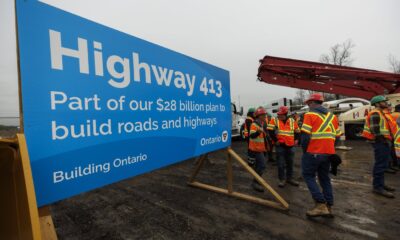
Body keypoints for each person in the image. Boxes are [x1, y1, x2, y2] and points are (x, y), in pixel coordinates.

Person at [300, 93, 341, 217]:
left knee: (308, 175)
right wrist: (331, 150)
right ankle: (328, 206)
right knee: (324, 178)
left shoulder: (310, 115)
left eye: (308, 104)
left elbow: (306, 136)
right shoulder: (332, 116)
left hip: (313, 152)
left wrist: (305, 150)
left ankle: (320, 204)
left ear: (312, 103)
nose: (308, 106)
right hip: (328, 153)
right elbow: (337, 136)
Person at [362, 95, 398, 198]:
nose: (386, 103)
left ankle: (381, 184)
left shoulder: (382, 113)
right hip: (381, 143)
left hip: (385, 142)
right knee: (380, 165)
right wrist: (384, 141)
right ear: (377, 104)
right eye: (383, 102)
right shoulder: (375, 113)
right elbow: (375, 131)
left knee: (383, 164)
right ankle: (378, 187)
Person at [268, 106, 300, 188]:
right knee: (281, 164)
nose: (279, 116)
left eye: (281, 115)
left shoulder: (292, 121)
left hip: (290, 145)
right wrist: (275, 141)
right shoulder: (274, 120)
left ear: (286, 114)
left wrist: (296, 139)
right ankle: (282, 179)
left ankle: (290, 179)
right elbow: (270, 131)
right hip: (280, 146)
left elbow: (297, 131)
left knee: (290, 163)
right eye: (278, 114)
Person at [249, 107, 269, 192]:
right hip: (256, 150)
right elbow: (252, 135)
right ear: (259, 116)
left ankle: (257, 180)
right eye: (263, 115)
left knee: (259, 166)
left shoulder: (262, 123)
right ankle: (255, 182)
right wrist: (258, 132)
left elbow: (264, 137)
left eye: (265, 114)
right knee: (262, 165)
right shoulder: (254, 124)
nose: (265, 116)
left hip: (261, 149)